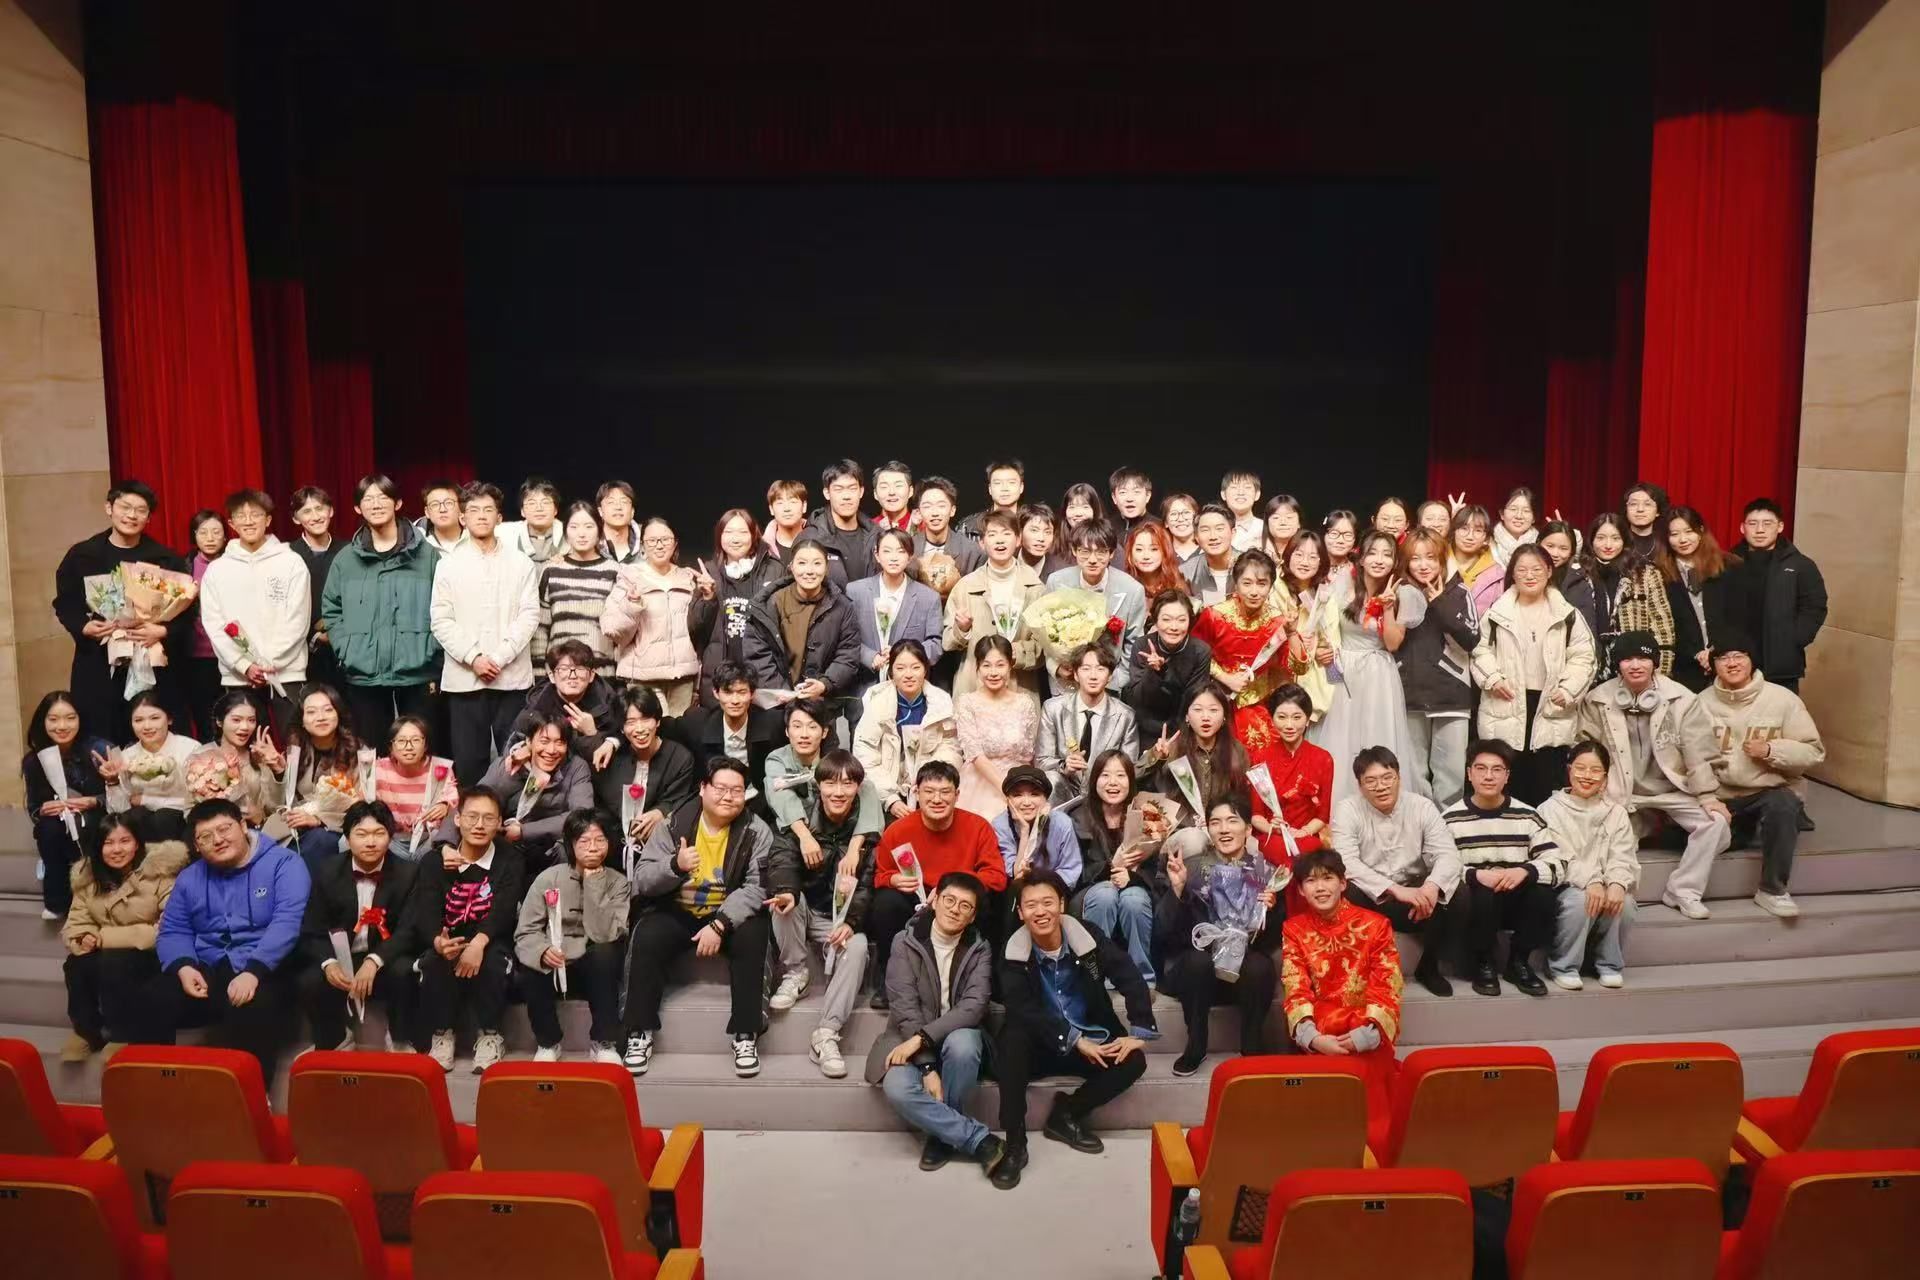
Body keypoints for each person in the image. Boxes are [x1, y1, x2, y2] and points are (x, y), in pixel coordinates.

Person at [994, 868, 1154, 1188]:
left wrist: (1140, 1029)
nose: (1040, 911)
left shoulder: (1088, 937)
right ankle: (1015, 1142)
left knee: (1133, 1060)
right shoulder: (1012, 952)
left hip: (1091, 1035)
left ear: (1062, 904)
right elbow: (1022, 1009)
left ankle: (1066, 1113)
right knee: (1012, 1041)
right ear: (1021, 912)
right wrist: (1072, 1039)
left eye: (1048, 902)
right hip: (1041, 1044)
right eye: (1031, 905)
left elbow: (1127, 973)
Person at [623, 757, 776, 1078]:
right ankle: (639, 1032)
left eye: (737, 790)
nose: (728, 797)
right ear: (703, 788)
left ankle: (746, 1034)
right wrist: (675, 866)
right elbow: (644, 879)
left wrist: (719, 925)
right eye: (720, 788)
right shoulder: (674, 824)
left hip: (727, 913)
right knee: (647, 934)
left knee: (755, 933)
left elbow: (757, 887)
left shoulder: (756, 830)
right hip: (677, 909)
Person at [145, 798, 310, 1076]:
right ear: (196, 845)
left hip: (267, 967)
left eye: (224, 829)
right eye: (206, 836)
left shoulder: (284, 864)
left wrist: (254, 971)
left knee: (252, 1005)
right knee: (154, 996)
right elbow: (174, 929)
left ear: (243, 826)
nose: (218, 840)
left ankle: (254, 1092)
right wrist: (184, 967)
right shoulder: (189, 877)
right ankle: (158, 1082)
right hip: (209, 964)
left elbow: (287, 922)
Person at [1577, 631, 1731, 921]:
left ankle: (1683, 891)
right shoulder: (1598, 700)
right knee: (1608, 844)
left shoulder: (1682, 698)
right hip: (1620, 792)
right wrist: (1595, 793)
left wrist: (1708, 796)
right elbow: (1588, 750)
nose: (1635, 665)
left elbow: (1697, 750)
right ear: (1618, 664)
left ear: (1655, 663)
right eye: (1627, 659)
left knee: (1716, 824)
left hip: (1672, 790)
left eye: (1643, 658)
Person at [865, 869, 1009, 1178]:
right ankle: (975, 1139)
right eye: (949, 900)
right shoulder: (905, 941)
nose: (955, 910)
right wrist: (927, 1066)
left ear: (972, 917)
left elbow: (973, 1006)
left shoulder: (979, 947)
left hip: (952, 1035)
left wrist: (921, 1040)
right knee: (897, 1087)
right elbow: (904, 1007)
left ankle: (942, 1137)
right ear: (934, 900)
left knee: (964, 1043)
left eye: (965, 906)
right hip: (907, 1033)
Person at [767, 749, 879, 1078]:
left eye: (847, 784)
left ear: (858, 788)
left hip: (838, 918)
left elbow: (866, 886)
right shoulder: (798, 821)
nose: (838, 792)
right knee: (783, 901)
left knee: (858, 946)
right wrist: (786, 890)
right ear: (818, 787)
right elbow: (781, 859)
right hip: (805, 910)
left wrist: (852, 922)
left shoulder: (867, 835)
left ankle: (826, 1033)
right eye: (830, 783)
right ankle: (796, 972)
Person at [1699, 632, 1825, 917]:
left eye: (1739, 656)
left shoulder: (1782, 699)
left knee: (1784, 804)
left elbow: (1813, 752)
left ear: (1751, 660)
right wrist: (1707, 797)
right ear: (1713, 664)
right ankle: (1739, 834)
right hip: (1720, 797)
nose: (1732, 663)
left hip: (1765, 792)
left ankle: (1772, 890)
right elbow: (1687, 758)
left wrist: (1771, 750)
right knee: (1674, 830)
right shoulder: (1701, 702)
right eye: (1723, 658)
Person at [52, 480, 191, 739]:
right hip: (98, 660)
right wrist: (83, 626)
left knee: (149, 733)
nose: (132, 515)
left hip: (150, 660)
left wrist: (162, 631)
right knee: (101, 735)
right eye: (125, 507)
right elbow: (65, 602)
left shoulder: (165, 558)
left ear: (149, 518)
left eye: (140, 510)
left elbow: (188, 611)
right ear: (109, 508)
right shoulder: (83, 555)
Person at [1155, 796, 1283, 1075]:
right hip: (1197, 973)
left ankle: (1252, 1044)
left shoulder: (1264, 871)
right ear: (1208, 829)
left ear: (1248, 829)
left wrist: (1269, 912)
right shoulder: (1189, 867)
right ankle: (1196, 1044)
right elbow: (1165, 931)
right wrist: (1177, 890)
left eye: (1232, 821)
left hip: (1240, 973)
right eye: (1216, 822)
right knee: (1197, 961)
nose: (1224, 829)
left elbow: (1271, 940)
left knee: (1260, 965)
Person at [865, 761, 1008, 1009]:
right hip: (917, 899)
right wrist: (893, 879)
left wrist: (953, 889)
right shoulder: (897, 830)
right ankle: (890, 976)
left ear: (957, 795)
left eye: (945, 792)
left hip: (960, 898)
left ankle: (987, 979)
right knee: (886, 902)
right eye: (929, 792)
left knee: (994, 899)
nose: (937, 799)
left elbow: (996, 876)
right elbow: (880, 875)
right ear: (916, 793)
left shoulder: (978, 826)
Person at [1328, 747, 1464, 998]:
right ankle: (1361, 970)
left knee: (1458, 890)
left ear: (1399, 777)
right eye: (1371, 781)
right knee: (1345, 888)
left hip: (1417, 898)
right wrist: (1395, 890)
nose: (1380, 786)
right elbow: (1346, 861)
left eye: (1387, 777)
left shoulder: (1422, 806)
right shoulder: (1348, 809)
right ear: (1360, 785)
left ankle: (1429, 966)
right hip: (1373, 897)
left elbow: (1448, 854)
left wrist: (1431, 887)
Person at [1279, 848, 1404, 1121]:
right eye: (1311, 881)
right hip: (1321, 1032)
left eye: (1327, 878)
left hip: (1366, 1029)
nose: (1320, 888)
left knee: (1374, 1117)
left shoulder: (1377, 925)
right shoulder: (1294, 929)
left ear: (1343, 883)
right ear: (1300, 890)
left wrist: (1369, 1035)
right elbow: (1295, 983)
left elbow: (1388, 983)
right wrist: (1311, 1038)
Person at [430, 482, 541, 786]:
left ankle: (512, 816)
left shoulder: (520, 563)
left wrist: (500, 657)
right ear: (462, 517)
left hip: (512, 678)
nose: (481, 516)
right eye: (474, 510)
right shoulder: (448, 565)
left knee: (515, 759)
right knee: (469, 763)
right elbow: (440, 620)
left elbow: (529, 614)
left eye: (488, 510)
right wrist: (474, 657)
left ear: (499, 517)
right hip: (465, 679)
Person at [1470, 544, 1598, 804]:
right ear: (1512, 574)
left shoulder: (1567, 614)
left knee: (1545, 784)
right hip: (1506, 701)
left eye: (1537, 569)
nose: (1529, 576)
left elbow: (1584, 657)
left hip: (1551, 703)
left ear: (1549, 571)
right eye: (1522, 570)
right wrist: (1493, 678)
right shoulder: (1497, 613)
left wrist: (1568, 689)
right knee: (1506, 783)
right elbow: (1479, 650)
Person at [323, 474, 442, 749]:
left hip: (419, 671)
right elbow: (331, 608)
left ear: (397, 503)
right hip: (364, 673)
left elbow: (445, 606)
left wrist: (430, 647)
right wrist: (347, 648)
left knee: (422, 749)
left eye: (383, 497)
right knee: (370, 752)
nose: (376, 504)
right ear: (357, 508)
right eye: (368, 499)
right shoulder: (346, 560)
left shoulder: (427, 555)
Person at [1310, 533, 1425, 811]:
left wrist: (1388, 607)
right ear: (1361, 558)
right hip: (1343, 668)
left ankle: (1381, 809)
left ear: (1395, 561)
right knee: (1340, 736)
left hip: (1379, 672)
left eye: (1387, 554)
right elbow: (1327, 628)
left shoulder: (1403, 592)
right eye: (1373, 553)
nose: (1379, 560)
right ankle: (1337, 812)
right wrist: (1326, 658)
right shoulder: (1343, 583)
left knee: (1377, 734)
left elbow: (1393, 643)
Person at [411, 786, 522, 1073]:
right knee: (435, 961)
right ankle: (442, 1034)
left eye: (488, 818)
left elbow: (504, 909)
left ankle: (490, 1035)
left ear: (500, 823)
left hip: (491, 938)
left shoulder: (510, 859)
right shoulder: (435, 861)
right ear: (458, 819)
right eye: (472, 816)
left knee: (494, 963)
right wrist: (438, 941)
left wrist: (478, 943)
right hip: (448, 935)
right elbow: (425, 909)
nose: (479, 825)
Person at [296, 799, 421, 1053]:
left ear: (390, 837)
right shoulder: (327, 871)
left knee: (404, 971)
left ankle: (400, 1039)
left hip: (385, 955)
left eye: (379, 833)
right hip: (343, 955)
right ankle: (335, 1039)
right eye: (361, 834)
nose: (370, 842)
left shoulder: (409, 873)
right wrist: (329, 963)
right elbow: (313, 928)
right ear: (347, 838)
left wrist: (374, 960)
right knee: (310, 979)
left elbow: (408, 930)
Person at [60, 814, 185, 1060]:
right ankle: (86, 1031)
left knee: (116, 962)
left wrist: (103, 937)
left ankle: (123, 1034)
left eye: (125, 841)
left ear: (137, 843)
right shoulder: (88, 877)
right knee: (75, 964)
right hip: (106, 954)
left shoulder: (161, 874)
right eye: (108, 843)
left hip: (152, 955)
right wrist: (84, 937)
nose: (116, 849)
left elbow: (168, 928)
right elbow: (77, 922)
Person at [1442, 740, 1560, 997]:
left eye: (1497, 770)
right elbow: (1439, 866)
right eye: (1481, 768)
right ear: (1469, 773)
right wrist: (1475, 875)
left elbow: (1556, 863)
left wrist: (1525, 871)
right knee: (1481, 892)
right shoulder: (1450, 819)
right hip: (1478, 905)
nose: (1488, 776)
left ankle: (1518, 962)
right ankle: (1482, 962)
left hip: (1516, 900)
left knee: (1542, 892)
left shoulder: (1527, 815)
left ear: (1507, 776)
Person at [516, 807, 631, 1064]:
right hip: (554, 959)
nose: (593, 848)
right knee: (531, 965)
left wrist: (594, 885)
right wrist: (542, 951)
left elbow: (606, 934)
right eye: (584, 841)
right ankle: (548, 1042)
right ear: (570, 844)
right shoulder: (548, 878)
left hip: (594, 963)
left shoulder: (618, 883)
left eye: (600, 840)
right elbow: (526, 932)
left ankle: (603, 1041)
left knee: (605, 953)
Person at [200, 488, 313, 733]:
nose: (249, 521)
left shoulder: (291, 562)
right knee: (244, 744)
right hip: (238, 675)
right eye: (241, 516)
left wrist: (270, 662)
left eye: (256, 515)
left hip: (286, 672)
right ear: (232, 523)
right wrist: (244, 665)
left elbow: (299, 619)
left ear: (268, 520)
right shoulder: (217, 570)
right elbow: (214, 624)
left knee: (294, 743)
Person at [1536, 740, 1638, 990]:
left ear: (1605, 777)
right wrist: (1591, 880)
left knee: (1624, 902)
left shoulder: (1616, 812)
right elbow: (1556, 856)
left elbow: (1623, 855)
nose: (1587, 776)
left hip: (1603, 882)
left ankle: (1609, 965)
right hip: (1565, 885)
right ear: (1569, 769)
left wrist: (1616, 882)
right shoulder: (1549, 809)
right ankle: (1563, 965)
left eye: (1595, 770)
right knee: (1581, 900)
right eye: (1580, 768)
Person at [448, 714, 593, 883]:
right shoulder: (507, 766)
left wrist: (524, 831)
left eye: (560, 742)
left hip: (553, 845)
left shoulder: (576, 768)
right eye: (544, 741)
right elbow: (471, 804)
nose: (551, 750)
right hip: (509, 844)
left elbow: (581, 815)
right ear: (529, 742)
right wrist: (445, 844)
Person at [1070, 750, 1169, 983]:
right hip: (1091, 891)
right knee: (1105, 895)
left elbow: (1157, 870)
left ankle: (1141, 979)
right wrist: (1111, 868)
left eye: (1120, 775)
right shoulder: (1078, 816)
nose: (1113, 782)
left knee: (1134, 899)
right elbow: (1075, 871)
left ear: (1131, 781)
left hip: (1135, 888)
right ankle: (1096, 977)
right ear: (1094, 780)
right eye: (1105, 775)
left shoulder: (1148, 813)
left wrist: (1132, 878)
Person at [601, 517, 718, 714]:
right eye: (652, 540)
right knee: (653, 728)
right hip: (643, 677)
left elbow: (700, 629)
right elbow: (612, 629)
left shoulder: (689, 578)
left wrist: (708, 596)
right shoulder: (630, 577)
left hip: (683, 676)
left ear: (675, 543)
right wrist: (632, 605)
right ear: (642, 545)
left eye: (665, 539)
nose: (659, 545)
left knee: (680, 730)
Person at [1398, 529, 1477, 806]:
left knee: (1451, 777)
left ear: (1442, 559)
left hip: (1451, 693)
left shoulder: (1458, 591)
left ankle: (1449, 829)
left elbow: (1471, 639)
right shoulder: (1398, 592)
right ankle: (1420, 828)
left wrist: (1441, 603)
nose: (1423, 565)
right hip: (1408, 694)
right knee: (1413, 775)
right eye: (1415, 558)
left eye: (1430, 557)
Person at [740, 539, 864, 710]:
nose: (809, 571)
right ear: (792, 567)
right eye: (802, 563)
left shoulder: (842, 606)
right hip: (777, 703)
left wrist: (825, 683)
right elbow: (757, 654)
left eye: (817, 563)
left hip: (822, 705)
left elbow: (848, 654)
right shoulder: (770, 603)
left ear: (826, 568)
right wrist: (784, 693)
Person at [257, 685, 368, 869]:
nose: (321, 717)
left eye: (328, 710)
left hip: (334, 829)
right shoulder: (294, 750)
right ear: (302, 720)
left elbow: (363, 805)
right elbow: (273, 805)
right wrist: (279, 772)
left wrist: (319, 819)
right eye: (311, 712)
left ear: (339, 714)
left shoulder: (359, 753)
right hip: (290, 827)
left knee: (319, 840)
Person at [1193, 549, 1292, 756]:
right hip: (1216, 702)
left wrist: (1293, 634)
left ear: (1271, 586)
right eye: (1247, 583)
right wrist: (1225, 677)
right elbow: (1195, 654)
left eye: (1262, 584)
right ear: (1236, 584)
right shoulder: (1215, 615)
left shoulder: (1277, 621)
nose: (1254, 592)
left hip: (1258, 705)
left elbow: (1293, 667)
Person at [23, 692, 110, 920]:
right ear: (42, 721)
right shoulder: (34, 760)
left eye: (70, 718)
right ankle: (57, 902)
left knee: (90, 825)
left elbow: (123, 796)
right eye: (53, 719)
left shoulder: (99, 749)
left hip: (97, 816)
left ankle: (97, 896)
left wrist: (95, 800)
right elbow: (33, 807)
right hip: (59, 822)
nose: (62, 726)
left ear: (80, 719)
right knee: (49, 827)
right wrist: (43, 810)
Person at [1727, 498, 1827, 692]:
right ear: (1742, 527)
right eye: (1753, 523)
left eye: (1767, 523)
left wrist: (1795, 639)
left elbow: (1815, 606)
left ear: (1780, 526)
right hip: (1736, 662)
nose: (1760, 530)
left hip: (1781, 664)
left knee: (1782, 711)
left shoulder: (1800, 565)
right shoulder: (1728, 563)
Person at [854, 641, 962, 818]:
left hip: (931, 789)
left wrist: (928, 782)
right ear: (891, 672)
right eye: (900, 668)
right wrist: (890, 799)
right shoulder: (877, 703)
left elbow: (950, 747)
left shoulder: (941, 702)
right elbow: (865, 755)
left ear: (925, 669)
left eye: (915, 667)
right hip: (887, 791)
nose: (908, 675)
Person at [944, 511, 1047, 698]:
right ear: (982, 543)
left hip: (1020, 689)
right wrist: (962, 629)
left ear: (1018, 540)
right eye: (992, 534)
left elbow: (1046, 647)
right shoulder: (965, 586)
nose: (1000, 540)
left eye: (1006, 533)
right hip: (973, 688)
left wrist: (1016, 653)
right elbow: (946, 642)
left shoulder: (1035, 588)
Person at [1562, 512, 1675, 677]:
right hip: (1588, 665)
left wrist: (1660, 672)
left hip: (1635, 665)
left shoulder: (1644, 574)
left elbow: (1663, 626)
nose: (1608, 545)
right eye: (1601, 538)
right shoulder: (1578, 575)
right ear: (1591, 540)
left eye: (1615, 538)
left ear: (1624, 541)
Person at [1046, 519, 1146, 694]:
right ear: (1074, 551)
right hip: (1066, 682)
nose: (1092, 560)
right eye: (1085, 552)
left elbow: (1134, 642)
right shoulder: (1057, 582)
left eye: (1101, 552)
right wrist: (1056, 667)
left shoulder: (1132, 589)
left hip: (1110, 685)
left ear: (1112, 553)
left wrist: (1115, 680)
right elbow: (1046, 633)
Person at [845, 529, 943, 706]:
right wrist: (869, 656)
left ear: (910, 556)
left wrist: (904, 656)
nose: (894, 557)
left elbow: (935, 644)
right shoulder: (856, 592)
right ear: (877, 555)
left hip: (909, 692)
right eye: (887, 551)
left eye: (901, 551)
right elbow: (846, 638)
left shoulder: (928, 598)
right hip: (864, 688)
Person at [593, 686, 699, 845]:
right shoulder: (610, 757)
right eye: (630, 722)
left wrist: (661, 812)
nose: (640, 729)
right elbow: (603, 805)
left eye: (646, 719)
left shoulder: (680, 758)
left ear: (657, 721)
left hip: (659, 842)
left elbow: (681, 798)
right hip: (613, 842)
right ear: (621, 728)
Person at [1657, 505, 1746, 694]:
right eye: (1674, 534)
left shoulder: (1730, 566)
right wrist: (1696, 654)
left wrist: (1715, 650)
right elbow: (1663, 625)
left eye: (1689, 531)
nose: (1682, 539)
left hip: (1728, 662)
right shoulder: (1659, 574)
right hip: (1683, 669)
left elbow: (1739, 617)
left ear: (1701, 531)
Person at [1037, 642, 1141, 802]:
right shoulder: (1053, 709)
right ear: (1076, 674)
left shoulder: (1125, 715)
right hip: (1063, 791)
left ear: (1110, 676)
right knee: (1051, 778)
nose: (1093, 676)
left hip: (1104, 796)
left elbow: (1129, 767)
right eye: (1086, 669)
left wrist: (1154, 757)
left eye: (1100, 669)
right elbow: (1042, 761)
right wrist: (1065, 765)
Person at [953, 634, 1042, 819]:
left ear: (1010, 665)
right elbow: (974, 754)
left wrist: (1022, 789)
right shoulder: (967, 703)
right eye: (986, 665)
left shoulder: (1024, 703)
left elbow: (1028, 755)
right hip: (980, 781)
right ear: (978, 668)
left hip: (1018, 780)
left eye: (1000, 665)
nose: (993, 673)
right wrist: (1007, 789)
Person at [1152, 684, 1250, 849]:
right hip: (1178, 832)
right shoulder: (1170, 748)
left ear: (1224, 717)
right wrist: (1156, 758)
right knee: (1196, 840)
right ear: (1187, 716)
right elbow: (1135, 779)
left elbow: (1241, 799)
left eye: (1213, 710)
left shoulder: (1236, 751)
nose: (1205, 717)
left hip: (1220, 832)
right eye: (1198, 710)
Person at [96, 691, 200, 847]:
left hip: (182, 824)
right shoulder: (126, 756)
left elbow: (197, 803)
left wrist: (147, 800)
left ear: (169, 719)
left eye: (155, 718)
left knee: (164, 817)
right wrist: (112, 782)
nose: (147, 726)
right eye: (138, 720)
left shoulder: (190, 749)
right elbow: (120, 812)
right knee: (138, 815)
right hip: (141, 827)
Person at [704, 506, 787, 694]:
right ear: (719, 536)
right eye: (728, 532)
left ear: (753, 535)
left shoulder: (775, 570)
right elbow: (696, 630)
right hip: (720, 673)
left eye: (742, 532)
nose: (735, 539)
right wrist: (707, 599)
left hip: (765, 671)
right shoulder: (709, 573)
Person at [664, 661, 785, 788]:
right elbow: (660, 727)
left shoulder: (773, 722)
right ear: (716, 693)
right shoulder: (697, 723)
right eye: (727, 692)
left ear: (752, 694)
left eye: (742, 692)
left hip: (757, 795)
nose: (735, 700)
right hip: (714, 795)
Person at [1254, 684, 1335, 872]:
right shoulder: (1260, 757)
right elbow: (1256, 816)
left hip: (1307, 835)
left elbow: (1322, 816)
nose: (1289, 725)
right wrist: (1273, 828)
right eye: (1282, 717)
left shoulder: (1323, 758)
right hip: (1271, 835)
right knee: (1280, 850)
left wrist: (1303, 832)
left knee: (1308, 850)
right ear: (1272, 719)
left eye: (1297, 717)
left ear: (1307, 719)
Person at [535, 500, 620, 678]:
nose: (581, 534)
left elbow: (620, 631)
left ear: (599, 531)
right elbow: (541, 629)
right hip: (559, 676)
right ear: (565, 532)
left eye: (589, 526)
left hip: (602, 674)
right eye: (574, 527)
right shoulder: (551, 570)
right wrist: (541, 675)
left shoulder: (614, 571)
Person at [993, 766, 1083, 924]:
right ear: (1008, 800)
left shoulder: (1062, 823)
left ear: (1045, 798)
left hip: (1055, 889)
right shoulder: (1000, 825)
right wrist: (1024, 831)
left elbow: (1070, 870)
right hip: (1017, 891)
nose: (1026, 802)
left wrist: (1043, 889)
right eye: (1017, 795)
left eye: (1034, 794)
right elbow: (1015, 873)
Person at [510, 639, 619, 767]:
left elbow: (620, 739)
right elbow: (513, 742)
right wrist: (526, 748)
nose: (572, 676)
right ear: (552, 676)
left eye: (580, 668)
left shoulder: (607, 701)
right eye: (564, 669)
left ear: (591, 675)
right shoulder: (538, 704)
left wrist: (593, 734)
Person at [1124, 591, 1214, 742]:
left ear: (1190, 621)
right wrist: (1153, 672)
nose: (1174, 627)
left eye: (1181, 620)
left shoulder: (1200, 651)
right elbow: (1138, 699)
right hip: (1145, 726)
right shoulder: (1142, 645)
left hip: (1183, 728)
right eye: (1166, 619)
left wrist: (1164, 672)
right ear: (1155, 620)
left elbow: (1193, 698)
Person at [184, 690, 280, 827]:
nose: (245, 727)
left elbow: (276, 806)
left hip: (261, 829)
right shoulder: (201, 757)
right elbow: (189, 811)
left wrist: (277, 771)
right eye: (236, 720)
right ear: (219, 721)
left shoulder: (260, 755)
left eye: (251, 720)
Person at [372, 714, 458, 859]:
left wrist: (445, 805)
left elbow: (453, 800)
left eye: (416, 740)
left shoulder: (440, 768)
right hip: (390, 838)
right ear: (391, 746)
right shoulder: (378, 769)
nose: (409, 747)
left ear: (425, 745)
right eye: (401, 741)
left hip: (428, 839)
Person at [1279, 529, 1339, 719]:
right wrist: (1297, 641)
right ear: (1288, 556)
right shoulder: (1275, 589)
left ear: (1321, 562)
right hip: (1279, 677)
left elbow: (1333, 640)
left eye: (1313, 557)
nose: (1305, 562)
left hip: (1314, 682)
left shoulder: (1325, 596)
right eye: (1298, 554)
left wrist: (1324, 650)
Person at [289, 485, 344, 691]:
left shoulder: (349, 551)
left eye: (320, 508)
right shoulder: (288, 555)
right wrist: (314, 635)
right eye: (306, 511)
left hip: (345, 648)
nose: (315, 516)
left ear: (331, 511)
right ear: (296, 518)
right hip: (301, 651)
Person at [183, 509, 228, 740]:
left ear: (225, 536)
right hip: (197, 655)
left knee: (232, 713)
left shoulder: (234, 564)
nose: (210, 538)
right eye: (203, 532)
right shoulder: (184, 567)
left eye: (216, 532)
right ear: (194, 536)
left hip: (231, 653)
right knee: (203, 717)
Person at [806, 458, 880, 579]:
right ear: (827, 493)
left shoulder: (876, 536)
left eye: (852, 488)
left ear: (861, 492)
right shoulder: (811, 537)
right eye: (838, 489)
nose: (846, 496)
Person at [910, 475, 984, 579]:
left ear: (952, 510)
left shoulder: (971, 551)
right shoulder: (909, 549)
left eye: (941, 506)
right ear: (919, 512)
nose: (935, 513)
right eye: (927, 506)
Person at [1448, 503, 1504, 617]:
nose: (1470, 536)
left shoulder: (1497, 574)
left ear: (1486, 538)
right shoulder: (1437, 563)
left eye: (1478, 531)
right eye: (1464, 528)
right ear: (1454, 531)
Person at [497, 476, 564, 566]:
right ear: (522, 511)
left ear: (555, 510)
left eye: (545, 502)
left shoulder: (570, 533)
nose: (539, 508)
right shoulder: (505, 533)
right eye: (532, 503)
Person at [1182, 503, 1237, 606]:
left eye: (1219, 529)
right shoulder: (1185, 572)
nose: (1213, 536)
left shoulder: (1251, 564)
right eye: (1205, 530)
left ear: (1233, 533)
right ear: (1196, 537)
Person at [958, 457, 1027, 538]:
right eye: (998, 483)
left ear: (1021, 487)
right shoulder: (968, 526)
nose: (1004, 488)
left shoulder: (1032, 523)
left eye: (1011, 482)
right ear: (990, 489)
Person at [1125, 519, 1186, 602]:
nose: (1146, 556)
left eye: (1154, 549)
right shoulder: (1124, 585)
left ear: (1165, 551)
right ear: (1130, 553)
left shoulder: (1178, 585)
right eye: (1139, 549)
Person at [1016, 502, 1071, 580]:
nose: (1041, 538)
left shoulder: (1063, 572)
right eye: (1034, 530)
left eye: (1047, 532)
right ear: (1020, 532)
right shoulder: (1004, 560)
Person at [763, 479, 810, 564]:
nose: (787, 508)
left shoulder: (821, 540)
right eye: (780, 503)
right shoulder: (761, 549)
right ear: (771, 509)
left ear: (804, 506)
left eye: (793, 502)